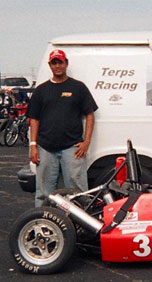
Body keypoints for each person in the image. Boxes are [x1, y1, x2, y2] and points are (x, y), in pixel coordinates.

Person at [27, 49, 98, 207]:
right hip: (45, 148)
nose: (58, 65)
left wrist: (86, 142)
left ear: (66, 64)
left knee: (77, 192)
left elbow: (90, 115)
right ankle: (44, 221)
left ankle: (81, 225)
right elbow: (34, 119)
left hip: (72, 148)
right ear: (50, 65)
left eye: (60, 62)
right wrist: (33, 146)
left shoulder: (78, 88)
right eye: (54, 62)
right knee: (43, 192)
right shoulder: (41, 90)